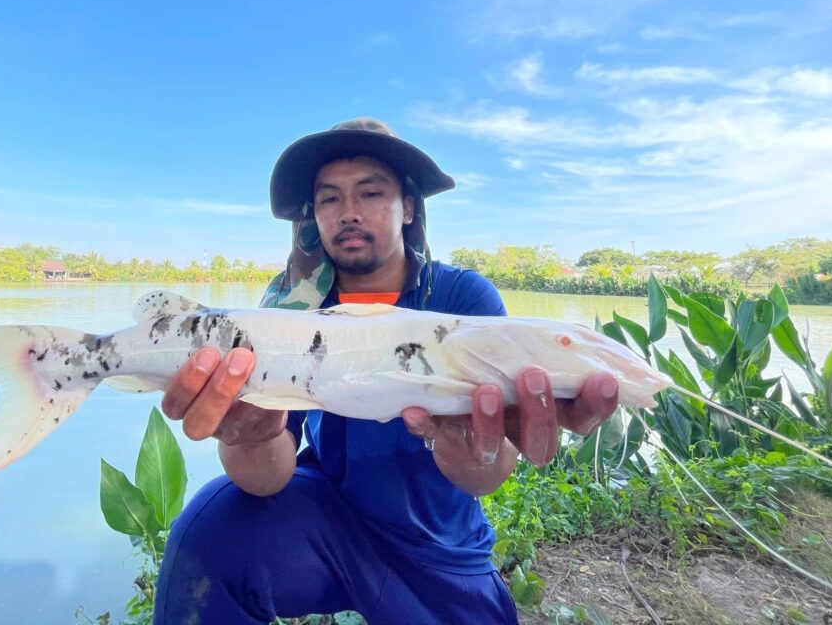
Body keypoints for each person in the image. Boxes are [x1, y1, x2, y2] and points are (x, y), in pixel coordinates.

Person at [153, 119, 620, 624]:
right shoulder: (288, 308)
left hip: (439, 548)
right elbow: (267, 479)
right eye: (329, 199)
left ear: (409, 207)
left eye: (371, 193)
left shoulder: (460, 300)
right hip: (328, 523)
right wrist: (249, 435)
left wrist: (469, 445)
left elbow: (488, 474)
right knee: (206, 530)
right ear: (313, 216)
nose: (348, 213)